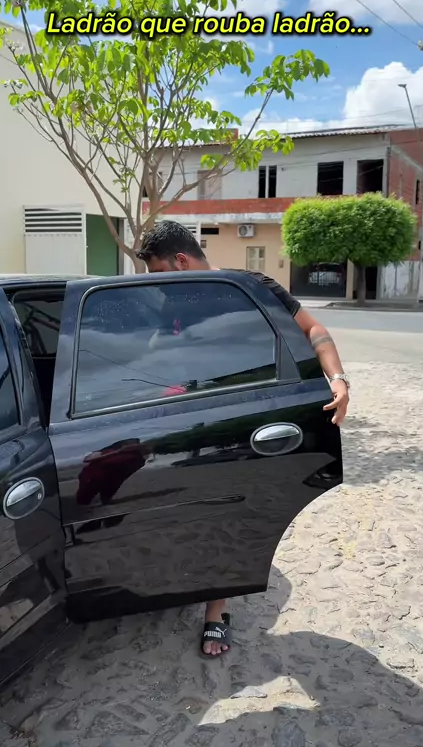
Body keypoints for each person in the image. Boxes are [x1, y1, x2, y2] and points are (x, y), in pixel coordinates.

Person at [136, 220, 350, 658]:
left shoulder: (249, 289)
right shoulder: (174, 301)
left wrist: (338, 380)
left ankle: (217, 611)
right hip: (186, 419)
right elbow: (159, 347)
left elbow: (314, 331)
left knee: (224, 514)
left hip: (239, 417)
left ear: (181, 261)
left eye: (157, 272)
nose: (157, 284)